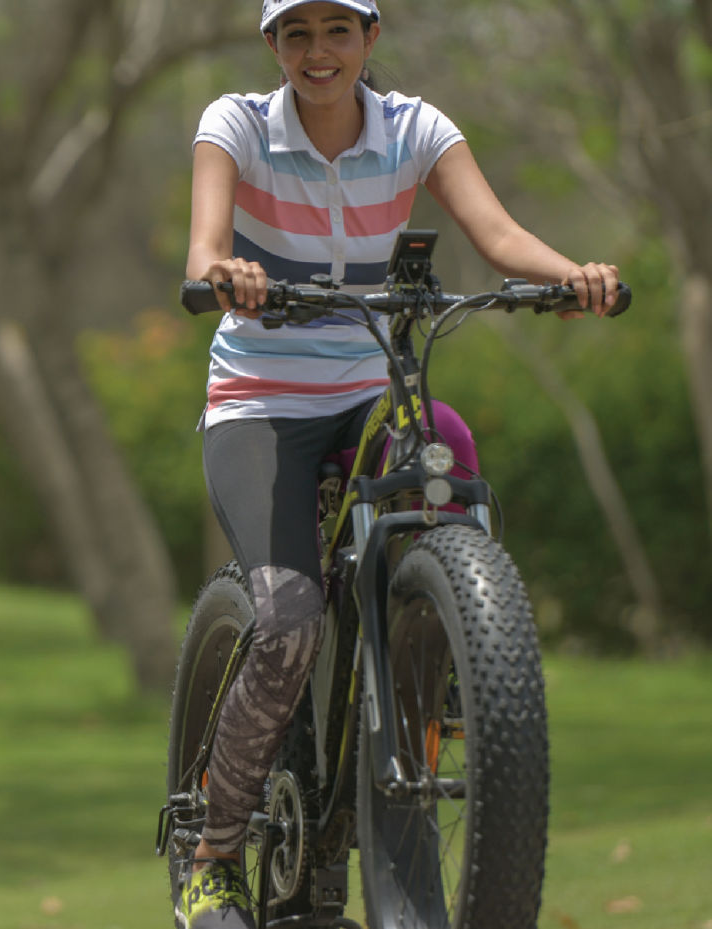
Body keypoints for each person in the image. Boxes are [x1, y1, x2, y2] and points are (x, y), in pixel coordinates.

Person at [180, 1, 618, 925]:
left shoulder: (418, 129)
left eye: (338, 31)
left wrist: (571, 275)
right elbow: (205, 245)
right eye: (296, 34)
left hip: (369, 383)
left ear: (371, 40)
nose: (318, 53)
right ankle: (214, 855)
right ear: (273, 47)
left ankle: (444, 671)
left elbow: (498, 239)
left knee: (446, 445)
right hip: (261, 402)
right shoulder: (238, 126)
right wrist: (226, 270)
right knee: (290, 621)